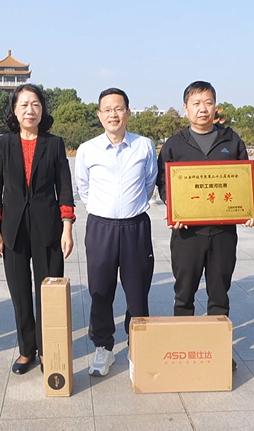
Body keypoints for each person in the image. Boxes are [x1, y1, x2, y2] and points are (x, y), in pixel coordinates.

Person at [156, 81, 254, 370]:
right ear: (186, 108)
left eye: (208, 102)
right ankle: (183, 348)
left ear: (216, 106)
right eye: (196, 103)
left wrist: (248, 208)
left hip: (223, 233)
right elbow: (163, 182)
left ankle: (218, 351)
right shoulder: (174, 144)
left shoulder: (231, 140)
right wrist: (172, 206)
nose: (203, 108)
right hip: (187, 234)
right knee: (184, 293)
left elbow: (243, 181)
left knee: (219, 294)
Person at [0, 84, 74, 374]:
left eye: (35, 104)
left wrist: (67, 227)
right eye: (23, 104)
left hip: (48, 226)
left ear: (42, 109)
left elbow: (64, 189)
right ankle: (27, 350)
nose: (30, 110)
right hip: (13, 229)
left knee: (48, 293)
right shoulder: (3, 144)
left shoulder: (55, 143)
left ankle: (48, 349)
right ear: (14, 110)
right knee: (20, 293)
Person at [75, 88, 157, 376]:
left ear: (128, 113)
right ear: (99, 115)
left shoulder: (144, 146)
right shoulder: (87, 150)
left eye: (119, 108)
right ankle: (103, 347)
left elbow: (149, 183)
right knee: (100, 290)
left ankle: (138, 345)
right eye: (107, 109)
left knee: (138, 290)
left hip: (135, 227)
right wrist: (103, 210)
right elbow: (83, 187)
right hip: (101, 227)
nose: (113, 114)